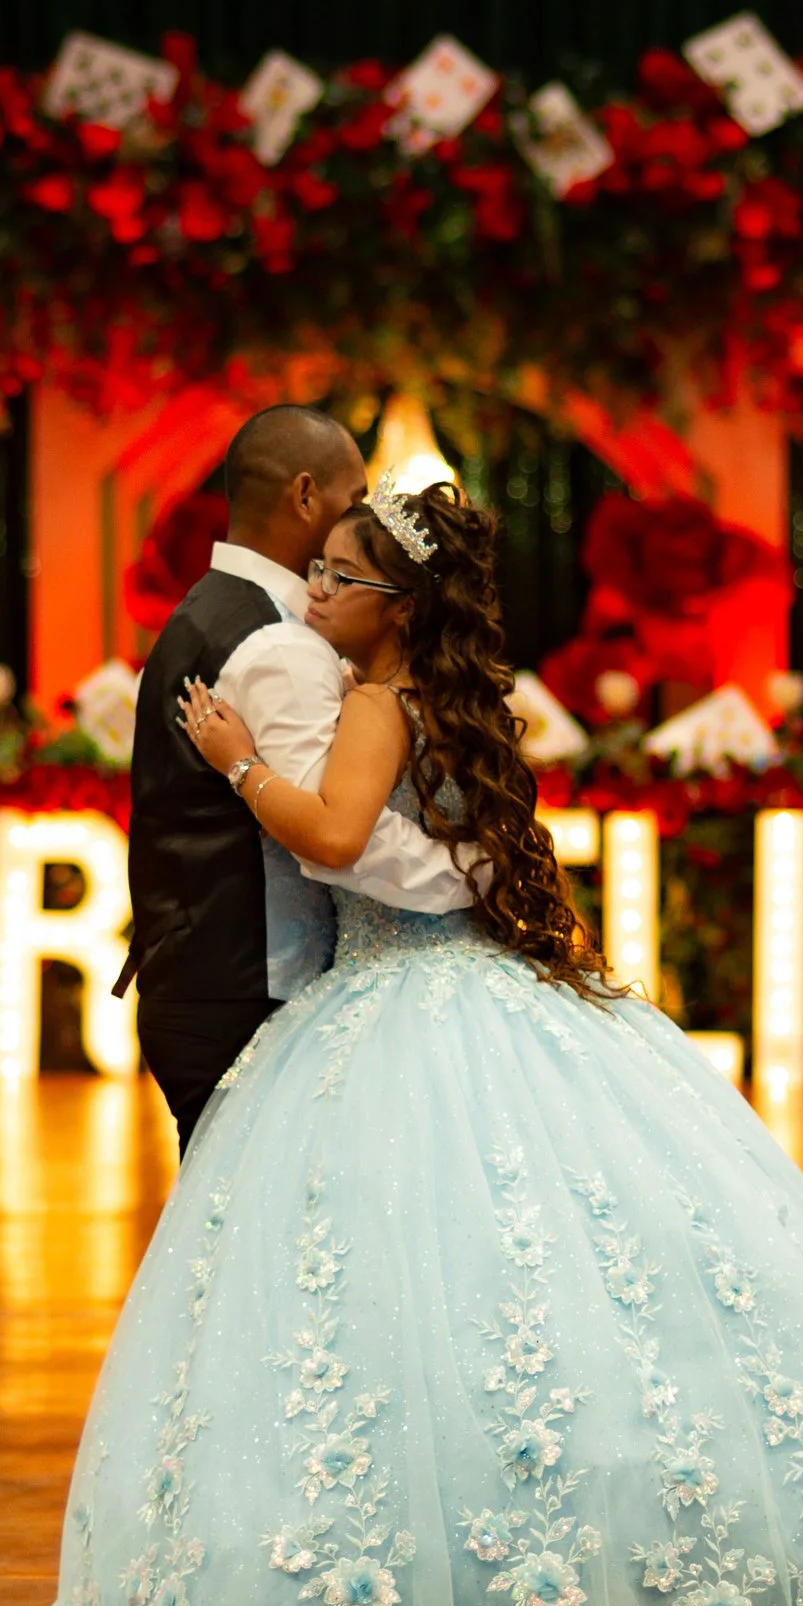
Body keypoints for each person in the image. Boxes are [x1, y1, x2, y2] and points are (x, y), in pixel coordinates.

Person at [0, 475, 803, 1606]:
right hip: (481, 992)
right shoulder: (450, 706)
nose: (318, 592)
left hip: (393, 997)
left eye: (342, 576)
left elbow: (336, 837)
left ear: (396, 609)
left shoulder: (379, 705)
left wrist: (236, 758)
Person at [121, 403, 473, 1147]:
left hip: (206, 975)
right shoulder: (278, 644)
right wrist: (472, 876)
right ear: (305, 496)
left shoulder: (207, 612)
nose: (364, 517)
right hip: (249, 988)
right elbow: (335, 833)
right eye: (354, 500)